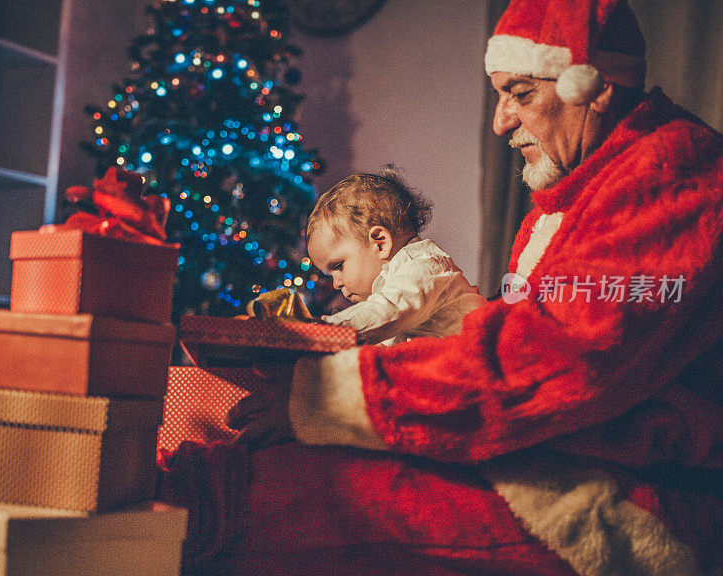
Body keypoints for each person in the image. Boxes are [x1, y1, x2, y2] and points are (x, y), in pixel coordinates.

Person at [169, 0, 723, 574]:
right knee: (247, 471)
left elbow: (556, 359)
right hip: (552, 457)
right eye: (500, 96)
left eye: (522, 94)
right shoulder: (564, 201)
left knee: (277, 499)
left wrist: (322, 398)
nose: (501, 121)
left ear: (596, 87)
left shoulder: (671, 169)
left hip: (643, 500)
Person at [306, 166, 486, 346]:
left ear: (380, 243)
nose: (336, 283)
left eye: (339, 266)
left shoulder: (422, 264)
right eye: (330, 275)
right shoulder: (391, 288)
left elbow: (388, 310)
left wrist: (325, 330)